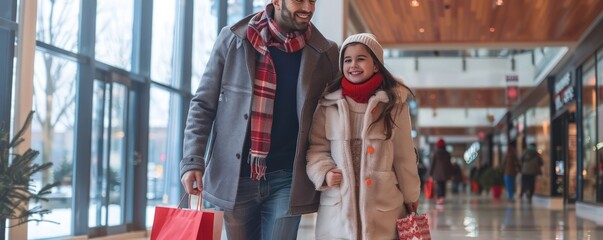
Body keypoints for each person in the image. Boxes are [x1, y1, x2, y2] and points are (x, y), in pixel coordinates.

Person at [179, 1, 340, 239]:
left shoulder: (325, 52)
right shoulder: (233, 39)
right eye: (299, 0)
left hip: (288, 178)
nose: (308, 7)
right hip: (235, 176)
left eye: (312, 1)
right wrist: (192, 160)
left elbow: (337, 113)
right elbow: (203, 104)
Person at [305, 33, 420, 239]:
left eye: (361, 59)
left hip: (383, 211)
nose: (353, 65)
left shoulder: (394, 105)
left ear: (376, 65)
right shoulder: (328, 104)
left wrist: (411, 194)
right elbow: (316, 149)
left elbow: (404, 156)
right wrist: (324, 172)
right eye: (347, 60)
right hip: (338, 211)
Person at [430, 138, 453, 204]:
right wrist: (450, 173)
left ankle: (439, 197)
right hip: (445, 173)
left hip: (437, 173)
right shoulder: (447, 153)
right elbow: (449, 164)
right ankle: (442, 197)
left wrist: (430, 173)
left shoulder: (436, 153)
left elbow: (432, 164)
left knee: (439, 185)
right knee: (443, 185)